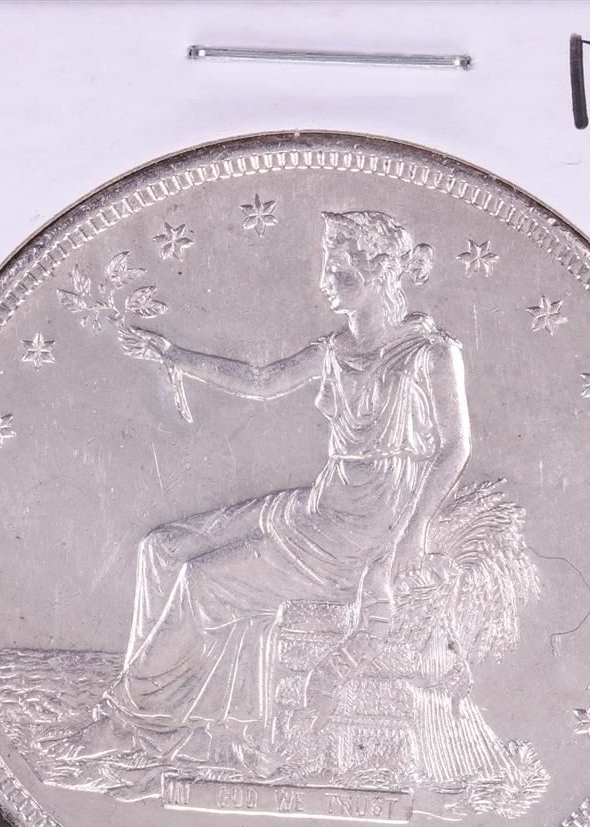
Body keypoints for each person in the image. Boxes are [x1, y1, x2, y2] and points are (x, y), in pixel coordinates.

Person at [82, 209, 472, 762]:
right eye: (327, 270)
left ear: (381, 275)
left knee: (202, 581)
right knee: (162, 547)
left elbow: (455, 448)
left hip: (362, 532)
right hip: (317, 509)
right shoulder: (335, 350)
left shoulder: (432, 353)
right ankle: (170, 716)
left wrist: (410, 536)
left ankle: (128, 722)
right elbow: (262, 382)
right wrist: (175, 356)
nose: (325, 284)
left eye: (340, 274)